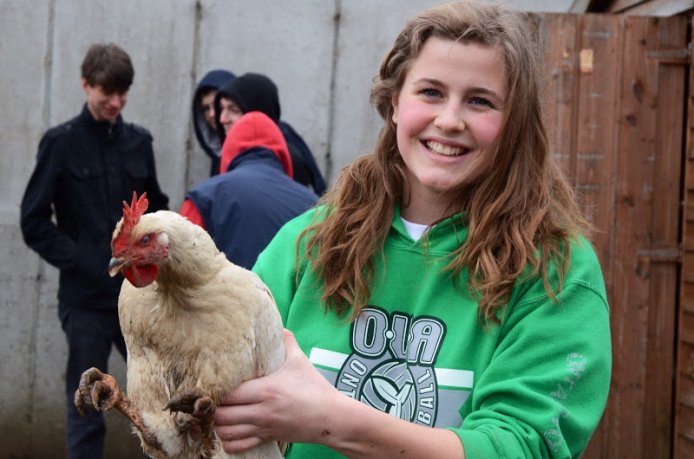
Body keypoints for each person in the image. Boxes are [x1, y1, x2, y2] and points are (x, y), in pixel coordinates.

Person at [212, 1, 612, 458]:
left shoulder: (557, 273)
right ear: (394, 102)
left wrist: (328, 422)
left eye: (480, 100)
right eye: (430, 92)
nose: (449, 120)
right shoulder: (305, 245)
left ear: (514, 123)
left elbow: (519, 446)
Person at [20, 43, 169, 459]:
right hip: (85, 303)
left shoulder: (139, 142)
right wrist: (85, 262)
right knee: (88, 404)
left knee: (159, 394)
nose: (116, 103)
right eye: (107, 93)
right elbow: (32, 221)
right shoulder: (60, 144)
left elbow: (155, 207)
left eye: (123, 94)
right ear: (86, 85)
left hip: (137, 301)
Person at [180, 111, 318, 270]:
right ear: (283, 154)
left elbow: (176, 270)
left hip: (224, 294)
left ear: (228, 152)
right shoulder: (316, 205)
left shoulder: (204, 198)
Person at [215, 72, 327, 195]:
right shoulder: (225, 155)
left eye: (234, 110)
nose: (223, 119)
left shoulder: (290, 164)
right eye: (221, 109)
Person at [191, 68, 236, 177]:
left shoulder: (268, 142)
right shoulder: (219, 154)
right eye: (206, 108)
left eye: (218, 106)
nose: (212, 114)